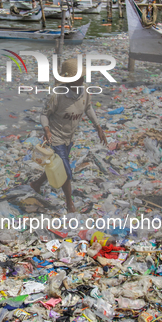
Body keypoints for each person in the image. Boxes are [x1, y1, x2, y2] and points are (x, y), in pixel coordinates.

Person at [30, 58, 108, 213]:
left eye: (82, 77)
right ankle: (69, 204)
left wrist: (98, 126)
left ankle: (37, 184)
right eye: (78, 77)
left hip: (69, 138)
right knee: (65, 170)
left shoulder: (84, 91)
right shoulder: (58, 95)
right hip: (56, 137)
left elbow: (89, 108)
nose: (82, 80)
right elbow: (44, 115)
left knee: (57, 165)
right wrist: (47, 130)